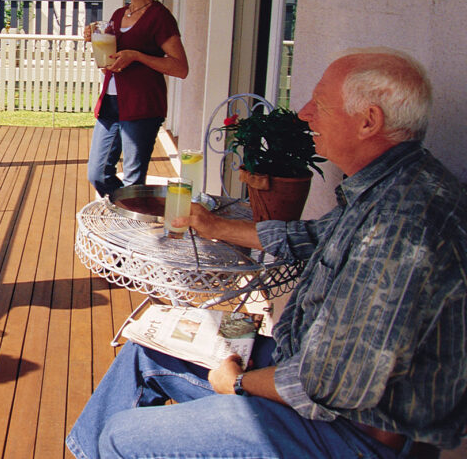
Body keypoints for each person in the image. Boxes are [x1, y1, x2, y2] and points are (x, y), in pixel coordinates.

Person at [66, 49, 467, 459]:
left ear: (368, 121)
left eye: (321, 104)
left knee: (122, 435)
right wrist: (213, 225)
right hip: (310, 370)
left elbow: (331, 383)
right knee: (146, 351)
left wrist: (236, 383)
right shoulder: (392, 185)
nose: (306, 113)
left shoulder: (401, 226)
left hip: (349, 434)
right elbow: (315, 236)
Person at [84, 0, 188, 197]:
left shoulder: (159, 17)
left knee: (133, 180)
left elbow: (180, 68)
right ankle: (128, 208)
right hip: (111, 101)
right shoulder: (119, 14)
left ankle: (129, 224)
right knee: (97, 173)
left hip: (142, 105)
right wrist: (93, 38)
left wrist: (137, 56)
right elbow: (110, 57)